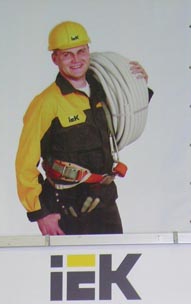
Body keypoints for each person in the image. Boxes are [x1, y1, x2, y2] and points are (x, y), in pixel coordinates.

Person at [15, 20, 149, 236]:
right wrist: (40, 212)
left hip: (104, 200)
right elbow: (25, 163)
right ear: (55, 58)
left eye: (81, 51)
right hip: (67, 207)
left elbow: (128, 113)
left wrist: (138, 83)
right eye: (67, 54)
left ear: (88, 50)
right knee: (75, 260)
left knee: (112, 257)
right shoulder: (46, 103)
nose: (76, 60)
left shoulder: (103, 91)